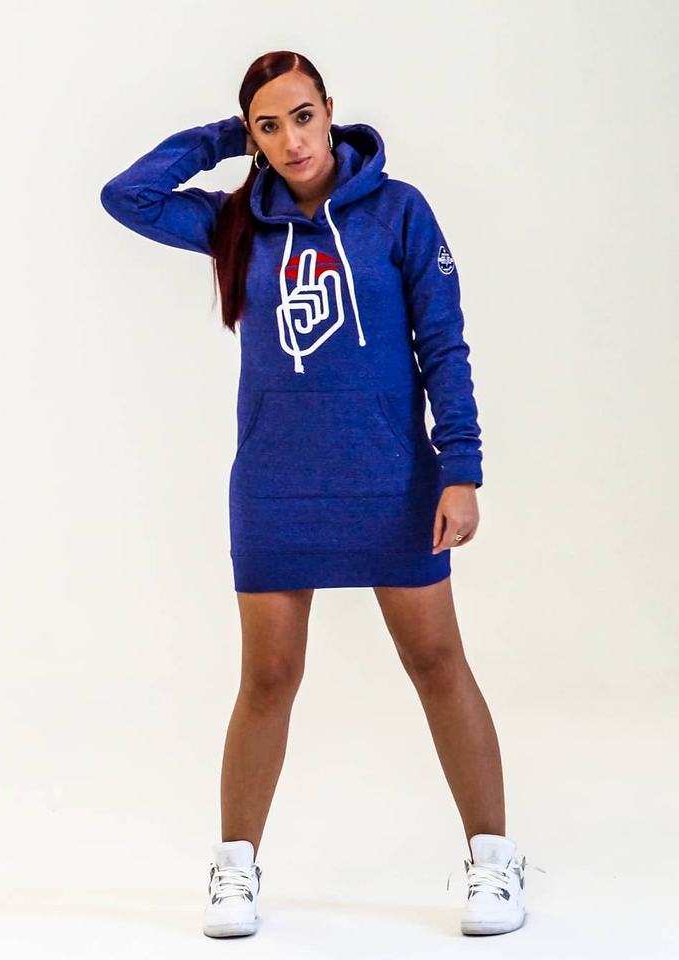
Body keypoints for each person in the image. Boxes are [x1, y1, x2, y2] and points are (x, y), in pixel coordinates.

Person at [100, 49, 543, 940]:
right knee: (267, 677)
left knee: (435, 663)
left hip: (389, 476)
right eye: (269, 126)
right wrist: (224, 140)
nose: (292, 140)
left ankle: (493, 861)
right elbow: (127, 197)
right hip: (276, 483)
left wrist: (459, 467)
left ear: (330, 110)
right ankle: (234, 869)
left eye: (302, 117)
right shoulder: (237, 222)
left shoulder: (397, 211)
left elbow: (443, 344)